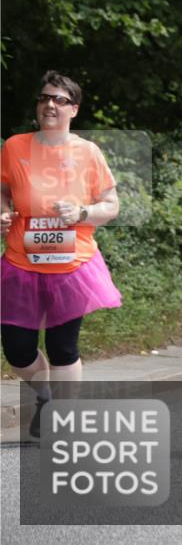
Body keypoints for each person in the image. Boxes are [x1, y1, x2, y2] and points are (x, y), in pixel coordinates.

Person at [1, 71, 122, 438]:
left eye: (60, 100)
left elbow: (111, 205)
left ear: (74, 110)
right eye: (44, 98)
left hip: (71, 265)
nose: (49, 104)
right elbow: (3, 190)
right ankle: (45, 397)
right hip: (21, 264)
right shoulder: (15, 146)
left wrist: (82, 213)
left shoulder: (88, 152)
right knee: (17, 349)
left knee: (61, 345)